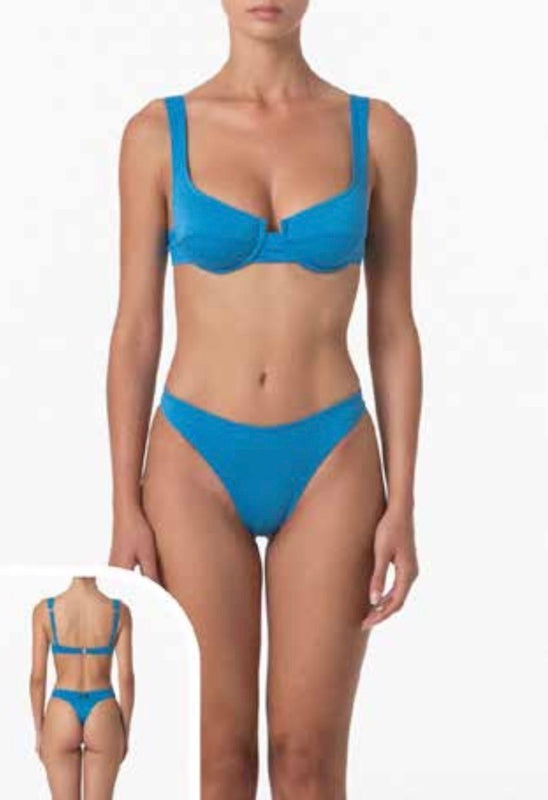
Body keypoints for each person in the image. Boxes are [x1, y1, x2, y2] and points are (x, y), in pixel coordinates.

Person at [107, 1, 421, 797]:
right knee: (220, 763)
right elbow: (136, 329)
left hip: (331, 459)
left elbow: (393, 328)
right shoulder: (156, 134)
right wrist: (124, 505)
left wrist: (404, 502)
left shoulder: (378, 133)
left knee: (307, 762)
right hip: (194, 462)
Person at [30, 577, 134, 800]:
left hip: (61, 708)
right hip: (103, 708)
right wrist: (125, 730)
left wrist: (39, 731)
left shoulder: (45, 610)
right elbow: (126, 678)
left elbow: (37, 678)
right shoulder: (118, 611)